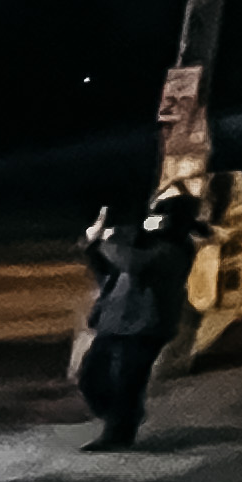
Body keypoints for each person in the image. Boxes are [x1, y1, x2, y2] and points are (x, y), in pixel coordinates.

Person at [75, 188, 203, 449]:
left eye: (162, 214)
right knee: (91, 378)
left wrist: (104, 240)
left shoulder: (175, 249)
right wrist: (92, 244)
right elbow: (108, 269)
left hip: (145, 326)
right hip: (114, 322)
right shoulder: (146, 241)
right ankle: (124, 416)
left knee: (127, 382)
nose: (155, 219)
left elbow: (133, 264)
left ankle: (118, 432)